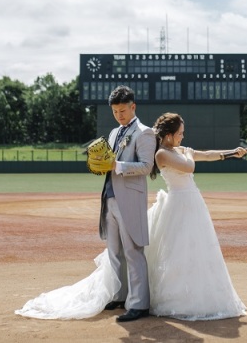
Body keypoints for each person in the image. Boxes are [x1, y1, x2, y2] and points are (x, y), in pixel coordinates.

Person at [16, 85, 156, 323]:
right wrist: (99, 164)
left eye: (123, 110)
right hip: (110, 197)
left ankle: (139, 304)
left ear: (133, 107)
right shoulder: (113, 134)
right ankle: (120, 295)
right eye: (115, 111)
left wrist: (115, 166)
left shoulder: (145, 133)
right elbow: (107, 163)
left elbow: (146, 166)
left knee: (133, 251)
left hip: (130, 200)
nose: (119, 115)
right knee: (114, 252)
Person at [145, 112, 247, 321]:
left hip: (193, 202)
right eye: (180, 133)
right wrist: (189, 154)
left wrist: (231, 152)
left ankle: (199, 296)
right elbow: (189, 165)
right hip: (178, 204)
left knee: (198, 249)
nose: (183, 136)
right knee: (178, 250)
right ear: (168, 135)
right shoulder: (161, 154)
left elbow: (208, 154)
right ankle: (176, 301)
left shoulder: (178, 150)